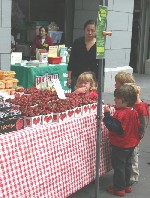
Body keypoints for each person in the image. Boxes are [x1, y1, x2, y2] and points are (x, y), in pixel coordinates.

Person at [103, 84, 140, 197]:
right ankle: (126, 185)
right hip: (131, 144)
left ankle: (119, 188)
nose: (114, 99)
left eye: (116, 98)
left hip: (121, 145)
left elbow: (113, 127)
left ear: (124, 101)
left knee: (119, 167)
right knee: (127, 165)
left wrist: (107, 114)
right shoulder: (133, 111)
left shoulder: (121, 113)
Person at [124, 83, 149, 185]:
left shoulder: (141, 107)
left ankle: (133, 176)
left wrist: (139, 134)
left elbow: (143, 122)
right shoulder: (134, 104)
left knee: (134, 155)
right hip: (131, 135)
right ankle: (129, 173)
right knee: (131, 155)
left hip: (135, 136)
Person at [67, 19, 99, 91]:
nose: (90, 33)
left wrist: (98, 82)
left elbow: (101, 65)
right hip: (77, 78)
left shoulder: (99, 46)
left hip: (92, 80)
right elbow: (71, 61)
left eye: (92, 30)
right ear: (84, 30)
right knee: (76, 98)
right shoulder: (77, 42)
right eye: (88, 30)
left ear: (96, 32)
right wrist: (69, 78)